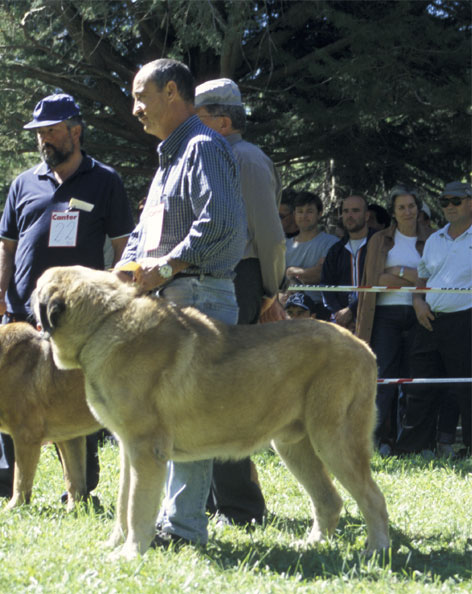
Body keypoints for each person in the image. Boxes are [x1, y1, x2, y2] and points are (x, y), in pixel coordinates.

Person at [114, 58, 247, 547]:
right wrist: (124, 270)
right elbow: (144, 233)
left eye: (140, 96)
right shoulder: (172, 156)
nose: (135, 109)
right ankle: (172, 522)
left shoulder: (204, 147)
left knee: (189, 414)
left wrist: (167, 267)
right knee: (165, 415)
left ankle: (185, 529)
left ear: (172, 92)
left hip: (199, 296)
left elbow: (223, 226)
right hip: (171, 298)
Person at [0, 92, 135, 502]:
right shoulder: (24, 183)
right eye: (39, 134)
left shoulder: (106, 181)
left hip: (78, 318)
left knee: (80, 400)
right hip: (19, 315)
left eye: (51, 131)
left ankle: (80, 492)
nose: (43, 140)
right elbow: (5, 246)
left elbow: (124, 249)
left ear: (76, 131)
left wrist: (114, 298)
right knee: (11, 398)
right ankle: (4, 488)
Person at [194, 78, 285, 526]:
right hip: (222, 278)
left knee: (227, 393)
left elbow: (268, 234)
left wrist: (270, 287)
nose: (193, 125)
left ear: (223, 121)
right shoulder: (213, 155)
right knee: (208, 391)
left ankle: (241, 506)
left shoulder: (246, 158)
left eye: (201, 117)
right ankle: (217, 500)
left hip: (242, 278)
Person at [396, 181, 472, 457]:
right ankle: (415, 448)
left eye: (456, 201)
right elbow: (422, 279)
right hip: (428, 321)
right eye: (444, 202)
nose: (449, 206)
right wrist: (417, 302)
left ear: (470, 202)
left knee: (466, 388)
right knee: (421, 387)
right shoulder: (435, 239)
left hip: (465, 321)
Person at [356, 186, 432, 456]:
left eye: (411, 206)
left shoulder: (433, 239)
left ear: (418, 208)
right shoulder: (379, 240)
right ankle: (377, 441)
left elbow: (431, 281)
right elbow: (376, 280)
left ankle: (410, 443)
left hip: (420, 314)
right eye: (401, 207)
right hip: (384, 316)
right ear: (393, 212)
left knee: (415, 380)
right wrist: (413, 277)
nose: (408, 211)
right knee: (383, 378)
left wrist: (397, 272)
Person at [321, 195, 375, 331]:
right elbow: (326, 286)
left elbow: (379, 283)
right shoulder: (335, 250)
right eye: (345, 211)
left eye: (355, 211)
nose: (349, 215)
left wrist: (352, 310)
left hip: (375, 318)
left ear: (367, 215)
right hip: (342, 322)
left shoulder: (379, 244)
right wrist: (339, 313)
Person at [284, 191, 339, 319]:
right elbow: (278, 279)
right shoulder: (284, 246)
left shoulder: (331, 243)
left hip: (319, 309)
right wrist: (306, 273)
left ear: (319, 214)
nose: (304, 216)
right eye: (300, 211)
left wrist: (291, 272)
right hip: (288, 310)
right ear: (294, 214)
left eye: (309, 211)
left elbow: (320, 275)